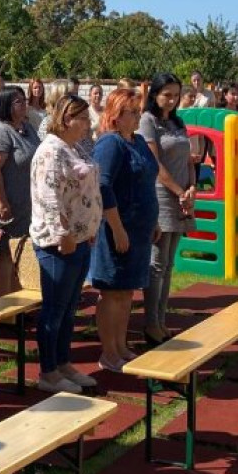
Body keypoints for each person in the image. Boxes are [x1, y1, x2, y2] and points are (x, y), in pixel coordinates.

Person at [29, 95, 102, 393]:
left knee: (70, 308)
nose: (87, 124)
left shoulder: (72, 147)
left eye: (87, 118)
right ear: (66, 119)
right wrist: (64, 234)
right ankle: (48, 372)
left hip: (80, 238)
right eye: (82, 118)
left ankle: (62, 363)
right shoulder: (50, 151)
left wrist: (88, 227)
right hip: (59, 243)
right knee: (55, 309)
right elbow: (49, 198)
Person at [89, 89, 158, 371]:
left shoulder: (138, 141)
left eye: (139, 111)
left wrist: (153, 221)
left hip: (139, 231)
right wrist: (117, 229)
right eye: (133, 112)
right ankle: (108, 352)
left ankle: (121, 346)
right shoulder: (110, 143)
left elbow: (148, 181)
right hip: (117, 229)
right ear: (116, 116)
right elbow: (102, 185)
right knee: (112, 292)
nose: (138, 116)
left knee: (127, 291)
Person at [138, 73, 193, 346]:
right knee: (157, 264)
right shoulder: (147, 121)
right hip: (161, 195)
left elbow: (189, 159)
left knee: (169, 265)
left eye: (176, 95)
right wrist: (179, 191)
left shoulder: (177, 122)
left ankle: (161, 320)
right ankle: (151, 324)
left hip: (183, 196)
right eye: (166, 95)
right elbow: (154, 163)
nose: (172, 100)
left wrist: (192, 188)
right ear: (155, 94)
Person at [0, 87, 40, 296]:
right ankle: (3, 300)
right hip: (8, 205)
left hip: (27, 204)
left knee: (22, 252)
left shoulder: (27, 127)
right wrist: (1, 202)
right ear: (5, 105)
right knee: (6, 253)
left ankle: (18, 301)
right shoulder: (0, 131)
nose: (24, 104)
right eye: (18, 102)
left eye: (24, 100)